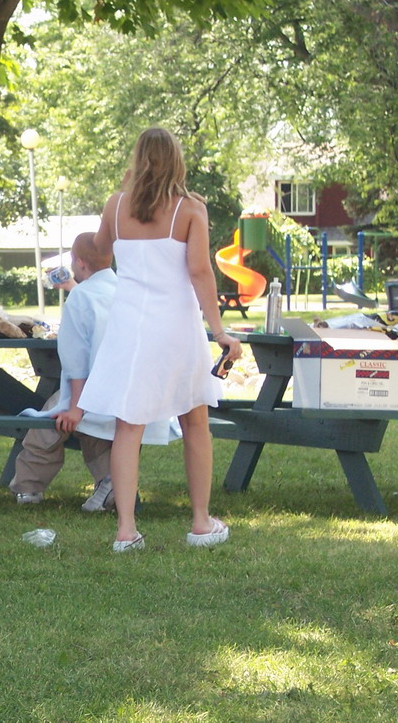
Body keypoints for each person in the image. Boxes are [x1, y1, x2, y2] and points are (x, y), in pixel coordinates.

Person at [79, 128, 243, 552]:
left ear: (137, 159)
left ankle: (126, 530)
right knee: (195, 420)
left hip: (129, 328)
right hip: (175, 326)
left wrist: (119, 204)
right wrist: (220, 331)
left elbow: (100, 248)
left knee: (127, 425)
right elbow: (200, 271)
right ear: (176, 160)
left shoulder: (116, 205)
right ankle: (201, 521)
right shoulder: (190, 208)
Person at [9, 233, 176, 510]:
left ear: (79, 262)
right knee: (97, 428)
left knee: (49, 423)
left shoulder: (81, 298)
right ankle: (109, 479)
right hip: (136, 394)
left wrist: (75, 407)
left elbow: (76, 362)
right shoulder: (129, 291)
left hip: (97, 390)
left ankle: (28, 487)